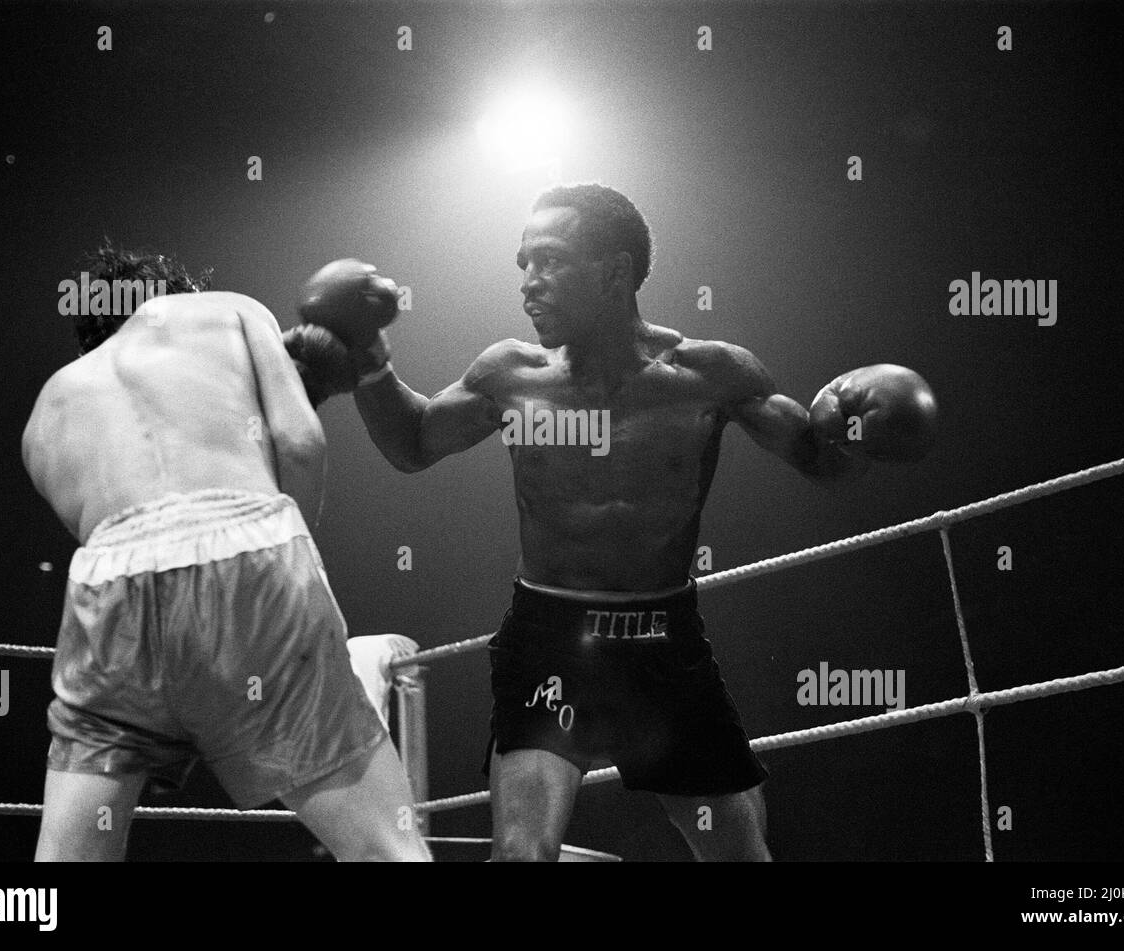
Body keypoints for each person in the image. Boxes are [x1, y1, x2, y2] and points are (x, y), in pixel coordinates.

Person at [346, 184, 937, 861]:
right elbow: (414, 443)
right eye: (523, 264)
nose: (529, 284)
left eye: (548, 261)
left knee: (741, 859)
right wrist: (369, 361)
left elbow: (820, 461)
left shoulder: (711, 375)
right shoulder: (512, 374)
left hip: (662, 643)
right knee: (521, 856)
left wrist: (856, 427)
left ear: (615, 271)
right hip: (550, 640)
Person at [22, 244, 430, 861]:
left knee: (65, 862)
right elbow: (298, 440)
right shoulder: (224, 311)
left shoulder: (46, 411)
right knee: (384, 848)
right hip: (249, 558)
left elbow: (125, 546)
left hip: (107, 595)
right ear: (176, 295)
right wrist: (296, 585)